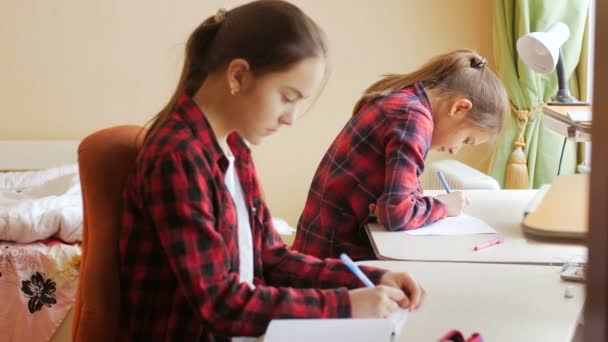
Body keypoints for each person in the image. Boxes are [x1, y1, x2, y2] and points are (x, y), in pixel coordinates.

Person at [119, 1, 424, 340]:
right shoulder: (178, 157)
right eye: (287, 97)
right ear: (238, 76)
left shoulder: (234, 146)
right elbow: (219, 304)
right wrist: (346, 306)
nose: (290, 118)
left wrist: (369, 279)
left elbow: (271, 257)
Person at [293, 49, 509, 261]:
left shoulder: (404, 99)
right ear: (460, 108)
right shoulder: (412, 119)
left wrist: (406, 205)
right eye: (466, 140)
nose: (455, 150)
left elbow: (399, 201)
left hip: (318, 251)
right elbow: (397, 213)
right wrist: (443, 206)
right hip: (334, 265)